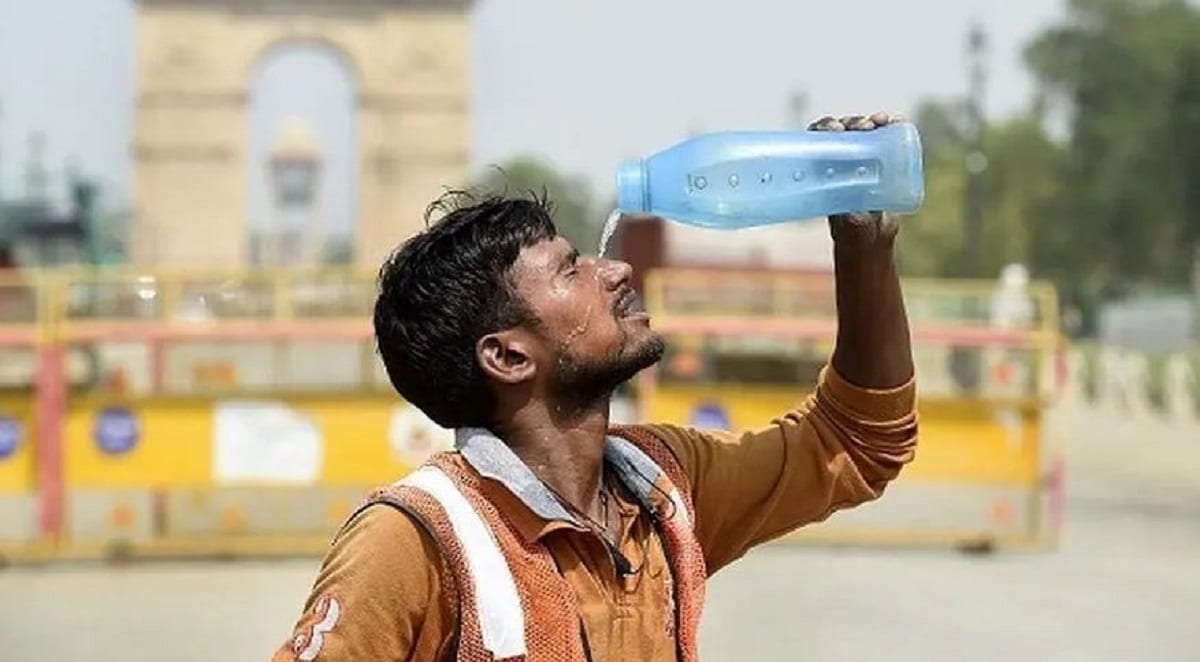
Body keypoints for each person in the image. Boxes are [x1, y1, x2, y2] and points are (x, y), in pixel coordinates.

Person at [274, 112, 919, 662]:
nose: (615, 270)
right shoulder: (416, 541)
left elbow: (856, 442)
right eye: (569, 269)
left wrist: (863, 252)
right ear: (507, 355)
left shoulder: (666, 488)